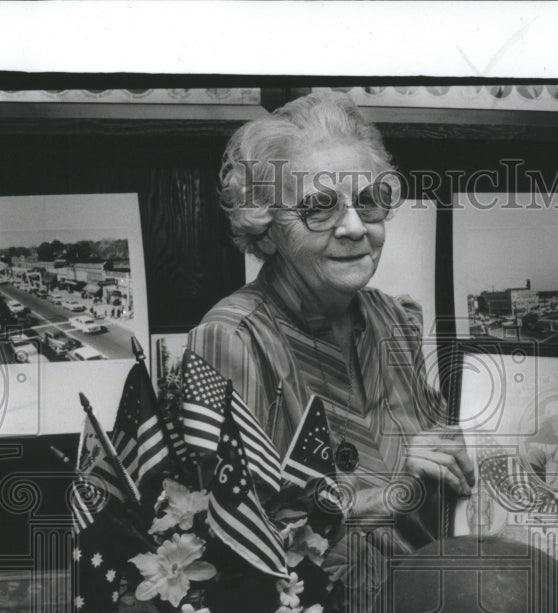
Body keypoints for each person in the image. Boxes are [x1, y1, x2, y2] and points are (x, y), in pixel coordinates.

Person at [188, 93, 474, 555]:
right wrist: (392, 495)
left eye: (369, 201)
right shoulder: (232, 339)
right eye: (320, 207)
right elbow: (233, 527)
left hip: (430, 596)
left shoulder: (396, 321)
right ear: (266, 222)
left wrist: (458, 455)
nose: (356, 227)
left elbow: (437, 461)